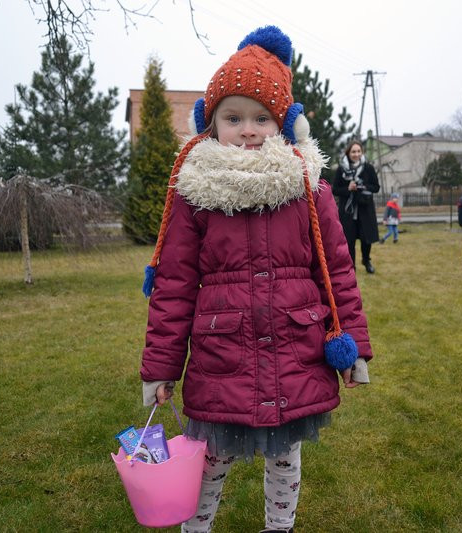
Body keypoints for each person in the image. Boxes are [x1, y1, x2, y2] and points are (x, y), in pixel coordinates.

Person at [138, 26, 373, 533]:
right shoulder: (194, 192)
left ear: (284, 124)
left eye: (261, 118)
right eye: (233, 117)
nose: (247, 129)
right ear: (211, 122)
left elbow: (337, 272)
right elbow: (175, 285)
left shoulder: (309, 189)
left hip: (296, 350)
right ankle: (195, 527)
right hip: (223, 357)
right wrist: (161, 367)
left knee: (284, 456)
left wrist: (355, 350)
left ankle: (279, 526)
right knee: (212, 457)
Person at [332, 140, 381, 273]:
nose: (356, 154)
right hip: (348, 211)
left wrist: (363, 186)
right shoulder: (342, 169)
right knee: (349, 240)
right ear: (348, 153)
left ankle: (366, 261)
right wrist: (348, 188)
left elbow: (376, 187)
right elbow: (335, 189)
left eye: (359, 151)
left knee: (366, 239)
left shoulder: (368, 168)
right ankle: (350, 266)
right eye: (353, 151)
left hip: (365, 209)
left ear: (362, 152)